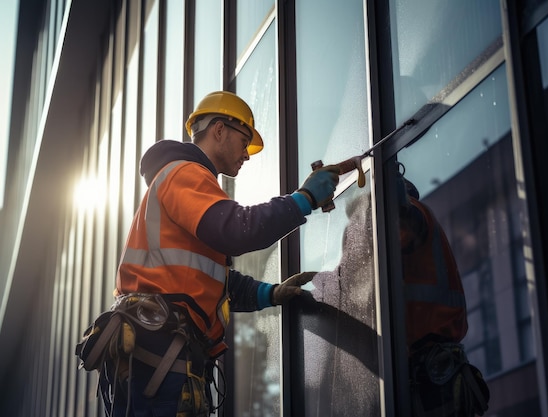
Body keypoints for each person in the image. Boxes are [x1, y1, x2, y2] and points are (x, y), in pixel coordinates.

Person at [75, 91, 340, 417]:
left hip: (163, 348)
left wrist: (269, 293)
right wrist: (304, 199)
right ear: (218, 130)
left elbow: (210, 280)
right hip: (159, 346)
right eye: (244, 141)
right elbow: (238, 230)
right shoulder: (184, 174)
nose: (247, 154)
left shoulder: (190, 181)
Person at [397, 170, 489, 417]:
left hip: (433, 368)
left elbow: (403, 215)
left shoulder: (413, 214)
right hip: (438, 365)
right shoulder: (422, 230)